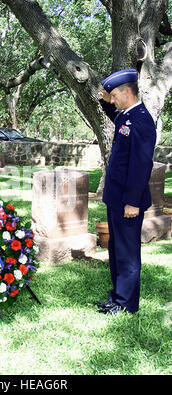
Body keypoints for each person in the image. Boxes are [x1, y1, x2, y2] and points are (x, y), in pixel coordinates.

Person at [96, 68, 156, 315]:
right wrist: (104, 101)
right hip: (115, 197)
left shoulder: (142, 121)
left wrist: (132, 201)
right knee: (116, 249)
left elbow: (141, 165)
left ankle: (126, 304)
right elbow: (113, 113)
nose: (113, 100)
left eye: (114, 95)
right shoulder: (127, 116)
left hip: (128, 201)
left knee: (128, 253)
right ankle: (117, 297)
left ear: (126, 92)